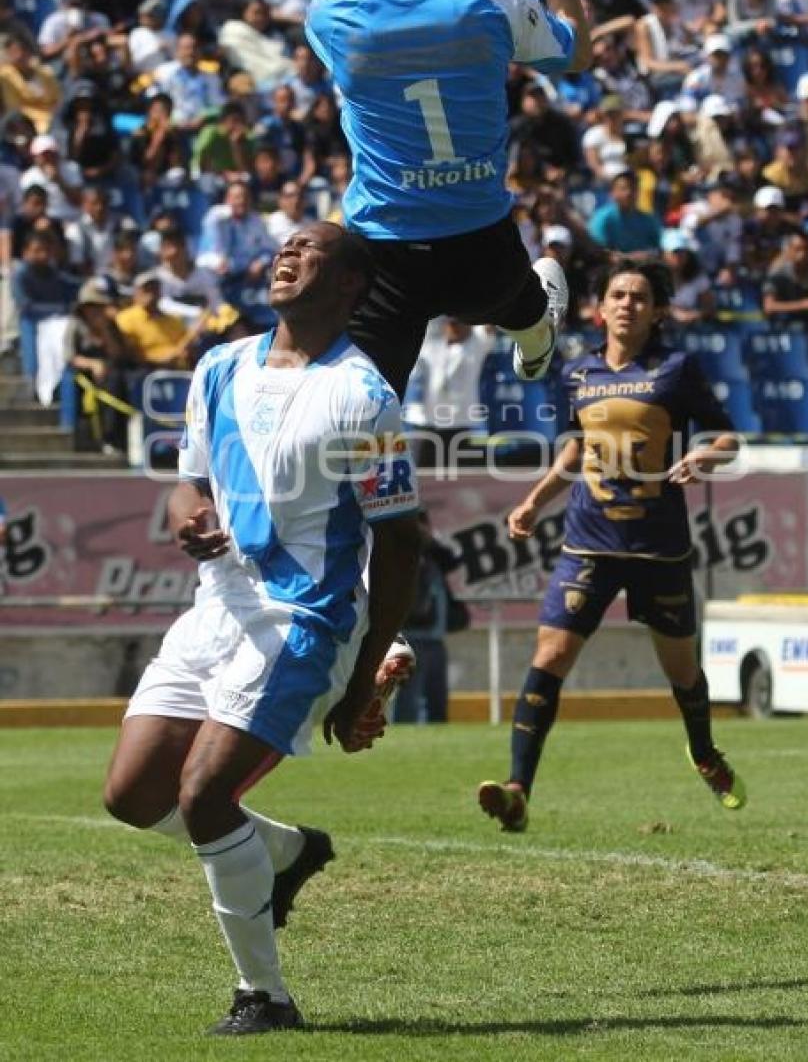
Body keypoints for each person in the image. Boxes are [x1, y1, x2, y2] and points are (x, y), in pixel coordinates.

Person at [103, 221, 422, 1035]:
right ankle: (283, 852)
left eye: (310, 248)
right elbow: (188, 484)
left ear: (350, 284)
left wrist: (362, 674)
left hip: (304, 618)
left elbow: (401, 541)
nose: (287, 252)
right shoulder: (218, 365)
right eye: (283, 244)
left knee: (205, 795)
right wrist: (189, 521)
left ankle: (265, 997)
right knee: (132, 794)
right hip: (216, 608)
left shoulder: (365, 393)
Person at [304, 0, 592, 399]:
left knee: (361, 400)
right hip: (482, 237)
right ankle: (535, 332)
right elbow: (577, 49)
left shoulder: (335, 18)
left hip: (387, 244)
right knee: (520, 307)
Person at [477, 258, 746, 834]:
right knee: (549, 658)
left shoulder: (677, 369)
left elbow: (729, 436)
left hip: (658, 545)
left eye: (640, 297)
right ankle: (518, 788)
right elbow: (575, 450)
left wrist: (706, 455)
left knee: (681, 672)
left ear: (656, 311)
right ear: (600, 308)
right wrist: (532, 501)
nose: (628, 304)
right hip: (589, 543)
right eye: (618, 295)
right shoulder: (577, 374)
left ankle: (703, 752)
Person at [394, 509, 458, 724]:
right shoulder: (399, 553)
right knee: (408, 696)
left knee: (437, 695)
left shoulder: (433, 556)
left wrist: (430, 542)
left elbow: (452, 561)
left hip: (434, 637)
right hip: (410, 635)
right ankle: (403, 735)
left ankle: (439, 730)